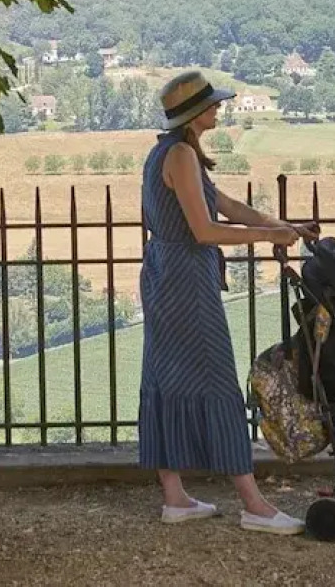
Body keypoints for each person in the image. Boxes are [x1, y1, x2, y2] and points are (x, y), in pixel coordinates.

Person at [138, 70, 318, 534]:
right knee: (217, 379)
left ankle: (175, 497)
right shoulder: (179, 154)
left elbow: (229, 206)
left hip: (166, 274)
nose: (219, 109)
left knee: (164, 375)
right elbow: (206, 230)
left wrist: (286, 228)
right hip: (185, 279)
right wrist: (269, 235)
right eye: (213, 104)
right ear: (195, 114)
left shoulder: (172, 151)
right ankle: (254, 506)